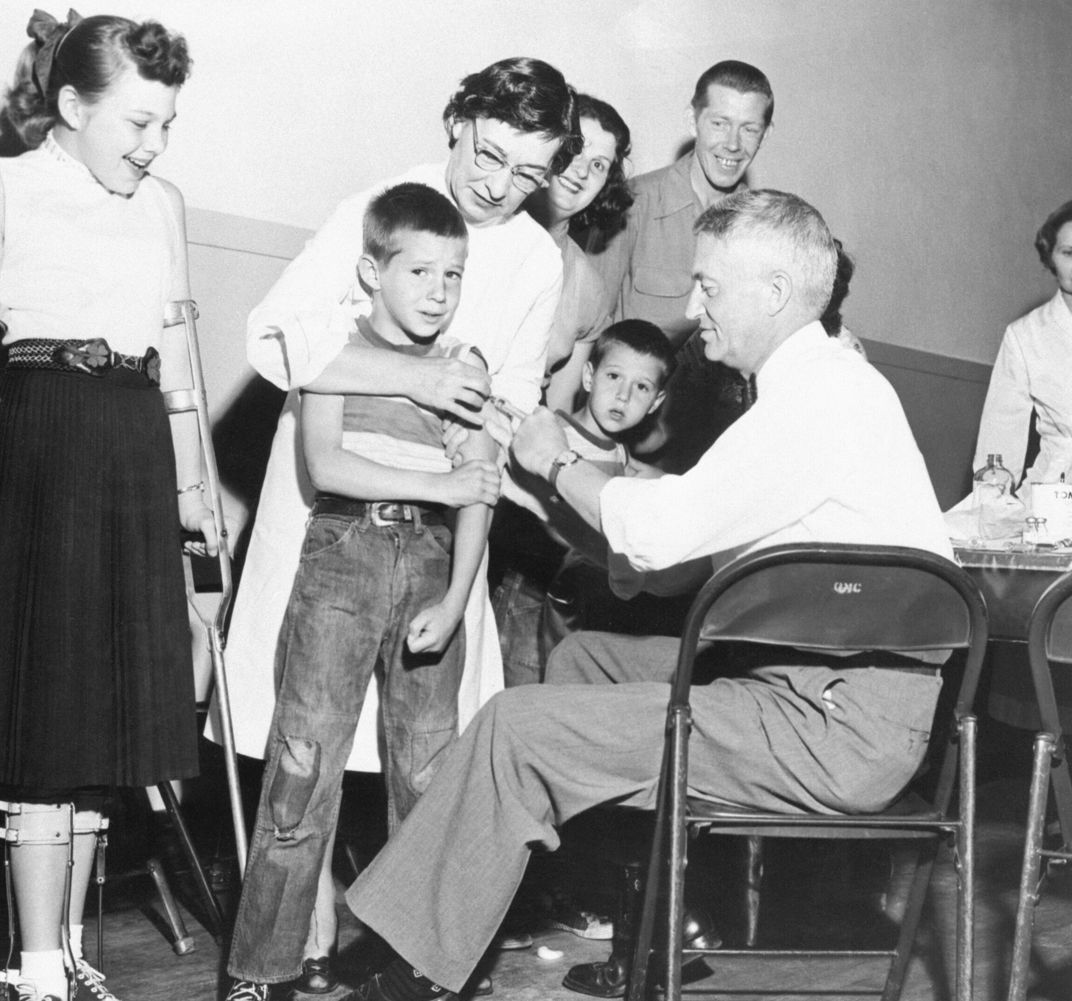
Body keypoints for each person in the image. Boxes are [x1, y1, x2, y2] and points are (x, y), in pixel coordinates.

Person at [332, 189, 953, 1001]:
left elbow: (659, 535)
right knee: (586, 656)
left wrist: (557, 459)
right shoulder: (818, 389)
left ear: (772, 294)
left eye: (710, 286)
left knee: (516, 724)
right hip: (821, 695)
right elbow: (674, 562)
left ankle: (414, 969)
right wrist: (541, 489)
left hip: (835, 725)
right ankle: (646, 923)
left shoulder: (818, 400)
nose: (696, 309)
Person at [220, 58, 579, 1000]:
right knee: (309, 737)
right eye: (489, 155)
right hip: (330, 506)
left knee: (426, 750)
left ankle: (410, 949)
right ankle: (297, 933)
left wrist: (550, 473)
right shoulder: (379, 208)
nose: (500, 187)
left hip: (440, 519)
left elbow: (507, 400)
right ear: (457, 121)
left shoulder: (538, 259)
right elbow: (272, 336)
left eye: (529, 175)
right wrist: (411, 379)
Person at [0, 12, 210, 1001]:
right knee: (51, 714)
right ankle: (34, 964)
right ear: (72, 104)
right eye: (135, 123)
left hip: (132, 441)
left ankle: (75, 951)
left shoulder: (162, 202)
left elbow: (179, 369)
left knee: (109, 725)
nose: (153, 145)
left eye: (166, 123)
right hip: (42, 442)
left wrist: (193, 481)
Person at [225, 183, 499, 1001]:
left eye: (452, 275)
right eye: (419, 271)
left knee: (426, 771)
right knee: (303, 767)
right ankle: (260, 972)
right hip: (341, 555)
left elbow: (479, 489)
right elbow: (327, 464)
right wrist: (446, 483)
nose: (437, 292)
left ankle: (418, 966)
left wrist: (454, 601)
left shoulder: (467, 366)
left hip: (432, 566)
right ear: (371, 271)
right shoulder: (333, 349)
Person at [583, 60, 774, 471]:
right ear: (693, 120)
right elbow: (588, 332)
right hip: (617, 443)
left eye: (750, 128)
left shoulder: (763, 231)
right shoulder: (633, 204)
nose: (733, 144)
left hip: (710, 450)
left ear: (765, 134)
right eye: (720, 123)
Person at [491, 319, 669, 689]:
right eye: (613, 377)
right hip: (531, 596)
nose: (623, 396)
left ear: (657, 402)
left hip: (584, 603)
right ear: (589, 377)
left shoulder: (622, 456)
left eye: (641, 387)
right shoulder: (554, 437)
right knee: (524, 695)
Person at [522, 93, 634, 412]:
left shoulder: (589, 288)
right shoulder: (480, 231)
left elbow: (559, 411)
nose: (581, 170)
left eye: (598, 165)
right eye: (574, 149)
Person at [974, 199, 1072, 493]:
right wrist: (991, 511)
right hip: (1057, 498)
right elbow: (999, 439)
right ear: (1050, 257)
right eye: (1069, 253)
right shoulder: (1026, 336)